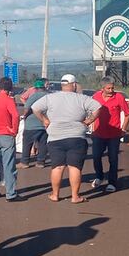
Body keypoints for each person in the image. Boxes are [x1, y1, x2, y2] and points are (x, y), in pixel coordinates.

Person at [32, 74, 101, 203]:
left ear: (62, 85)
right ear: (74, 85)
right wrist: (89, 120)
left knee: (57, 167)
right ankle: (75, 197)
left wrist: (45, 120)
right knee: (74, 167)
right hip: (77, 137)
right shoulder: (82, 98)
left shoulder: (50, 97)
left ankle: (55, 195)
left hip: (55, 137)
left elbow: (35, 108)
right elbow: (98, 107)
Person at [91, 76, 129, 192]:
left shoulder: (118, 97)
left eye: (112, 88)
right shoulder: (96, 97)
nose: (111, 91)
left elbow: (128, 113)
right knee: (96, 157)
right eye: (108, 88)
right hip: (98, 133)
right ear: (102, 88)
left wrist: (123, 129)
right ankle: (99, 176)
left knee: (113, 159)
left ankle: (112, 182)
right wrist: (92, 127)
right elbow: (91, 112)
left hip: (114, 134)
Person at [18, 79, 49, 169]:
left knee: (27, 143)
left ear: (36, 88)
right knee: (43, 143)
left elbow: (27, 108)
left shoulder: (34, 95)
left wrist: (24, 115)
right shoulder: (49, 96)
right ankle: (41, 162)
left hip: (31, 124)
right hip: (44, 123)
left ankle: (25, 162)